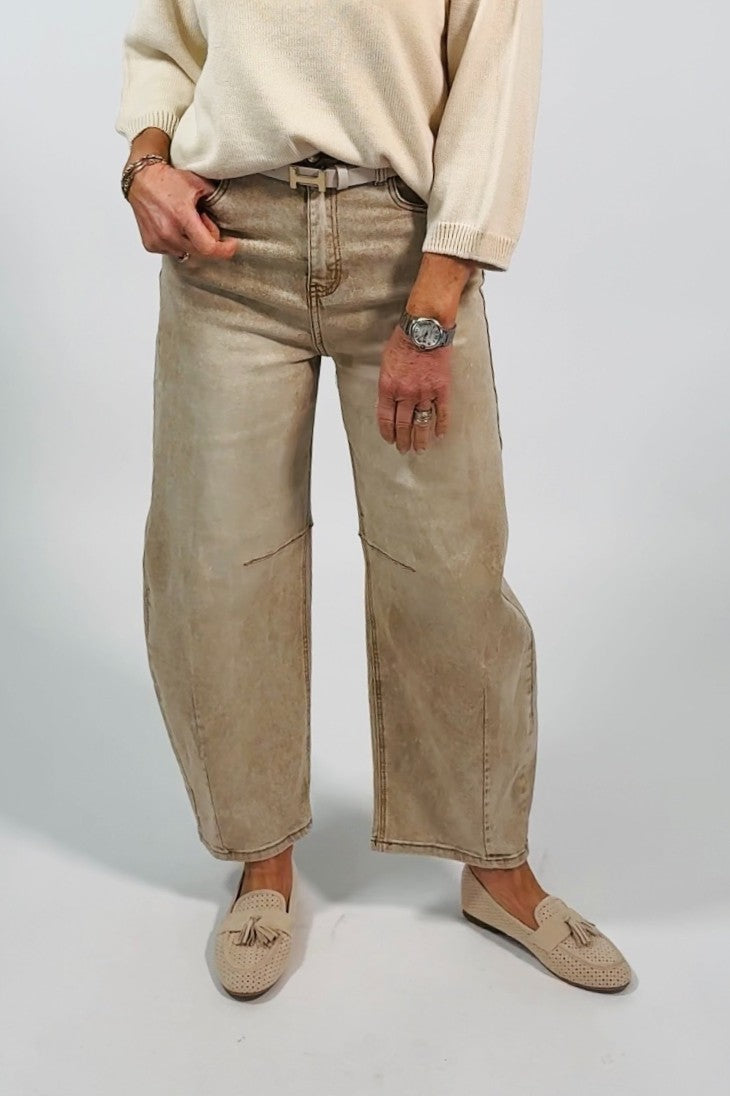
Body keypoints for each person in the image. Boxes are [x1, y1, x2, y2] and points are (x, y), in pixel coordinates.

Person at [115, 0, 633, 1000]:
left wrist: (433, 307)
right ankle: (262, 859)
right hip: (225, 249)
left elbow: (491, 81)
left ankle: (495, 863)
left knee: (449, 569)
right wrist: (145, 165)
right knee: (217, 567)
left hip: (405, 250)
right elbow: (165, 41)